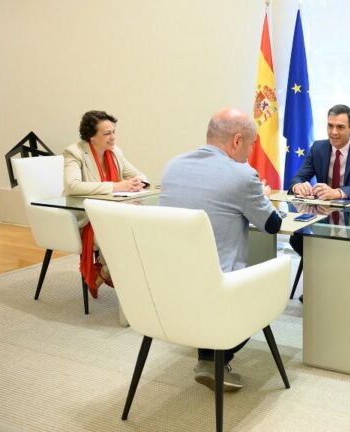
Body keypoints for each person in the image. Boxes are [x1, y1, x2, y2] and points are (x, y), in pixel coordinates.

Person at [159, 108, 283, 392]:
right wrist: (260, 195)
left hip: (168, 289)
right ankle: (215, 358)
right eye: (251, 146)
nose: (251, 154)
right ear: (237, 141)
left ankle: (208, 358)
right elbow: (272, 225)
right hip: (217, 293)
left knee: (206, 275)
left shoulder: (172, 166)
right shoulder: (242, 175)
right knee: (263, 291)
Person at [287, 104, 350, 300]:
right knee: (297, 238)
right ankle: (326, 282)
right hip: (323, 218)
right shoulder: (319, 147)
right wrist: (298, 186)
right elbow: (297, 177)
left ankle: (330, 284)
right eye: (330, 126)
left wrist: (338, 192)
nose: (334, 132)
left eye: (340, 127)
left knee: (340, 245)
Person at [63, 110, 149, 297]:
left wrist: (138, 182)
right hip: (86, 218)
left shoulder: (115, 152)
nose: (113, 137)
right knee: (122, 240)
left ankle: (103, 273)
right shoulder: (75, 152)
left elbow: (138, 174)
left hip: (113, 214)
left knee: (141, 234)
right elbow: (72, 186)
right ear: (91, 137)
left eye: (113, 132)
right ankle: (122, 285)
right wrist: (116, 186)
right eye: (107, 133)